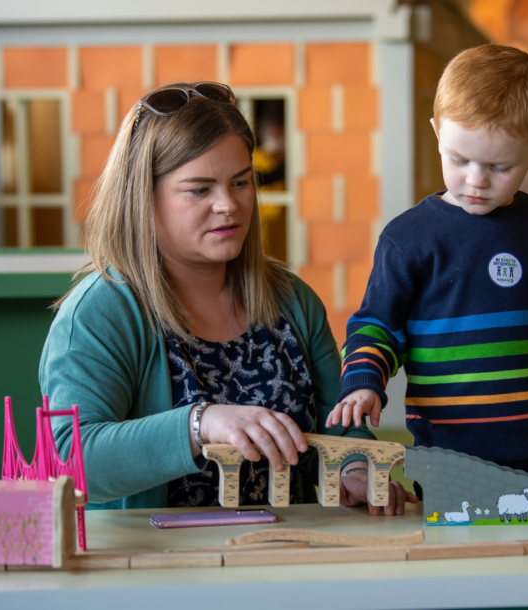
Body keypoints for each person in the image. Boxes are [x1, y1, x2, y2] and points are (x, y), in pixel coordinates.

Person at [40, 82, 417, 515]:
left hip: (282, 559)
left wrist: (354, 469)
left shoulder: (293, 301)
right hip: (151, 572)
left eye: (240, 182)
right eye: (199, 189)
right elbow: (69, 461)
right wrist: (201, 424)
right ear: (142, 197)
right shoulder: (100, 313)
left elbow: (340, 428)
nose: (229, 205)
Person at [327, 45, 528, 496]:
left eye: (499, 166)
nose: (476, 179)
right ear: (436, 133)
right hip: (449, 457)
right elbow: (377, 325)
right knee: (458, 562)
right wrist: (364, 383)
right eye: (459, 159)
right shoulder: (407, 238)